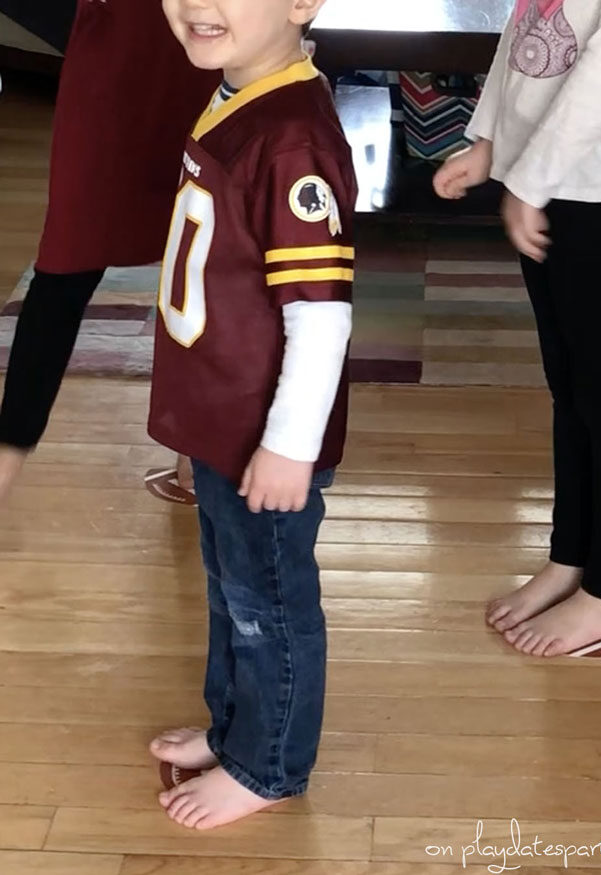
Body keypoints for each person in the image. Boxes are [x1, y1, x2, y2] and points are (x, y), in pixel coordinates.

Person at [147, 0, 356, 830]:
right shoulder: (242, 91)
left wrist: (287, 445)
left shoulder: (292, 136)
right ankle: (236, 730)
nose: (199, 5)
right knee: (231, 588)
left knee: (266, 601)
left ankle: (268, 766)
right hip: (223, 421)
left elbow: (321, 313)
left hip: (264, 436)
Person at [434, 0, 601, 657]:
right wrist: (492, 142)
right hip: (553, 183)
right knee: (571, 390)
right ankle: (570, 558)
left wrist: (530, 182)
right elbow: (525, 29)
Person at [0, 0, 219, 499]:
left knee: (198, 255)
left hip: (191, 51)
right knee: (200, 256)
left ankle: (193, 458)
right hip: (169, 51)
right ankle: (6, 462)